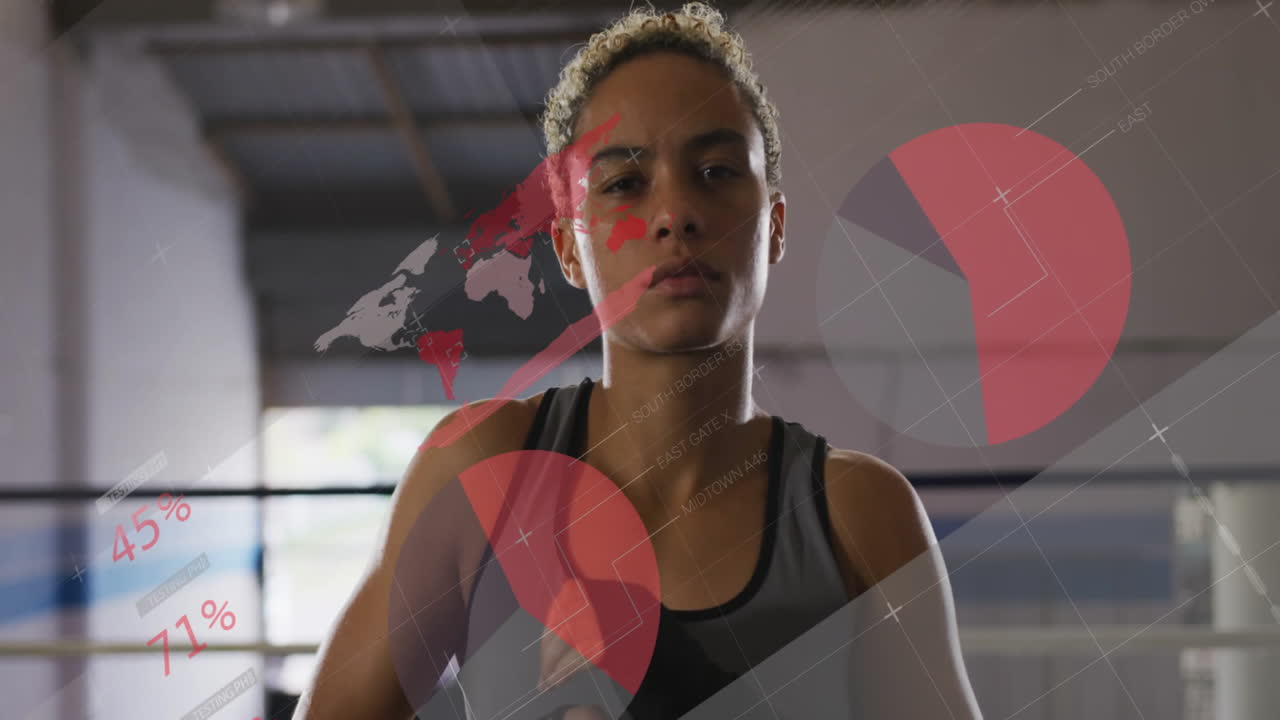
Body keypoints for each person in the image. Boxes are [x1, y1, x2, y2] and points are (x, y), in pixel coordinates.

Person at [294, 3, 982, 719]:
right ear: (567, 247)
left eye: (716, 171)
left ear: (774, 227)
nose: (675, 212)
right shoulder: (479, 475)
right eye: (624, 183)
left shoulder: (859, 515)